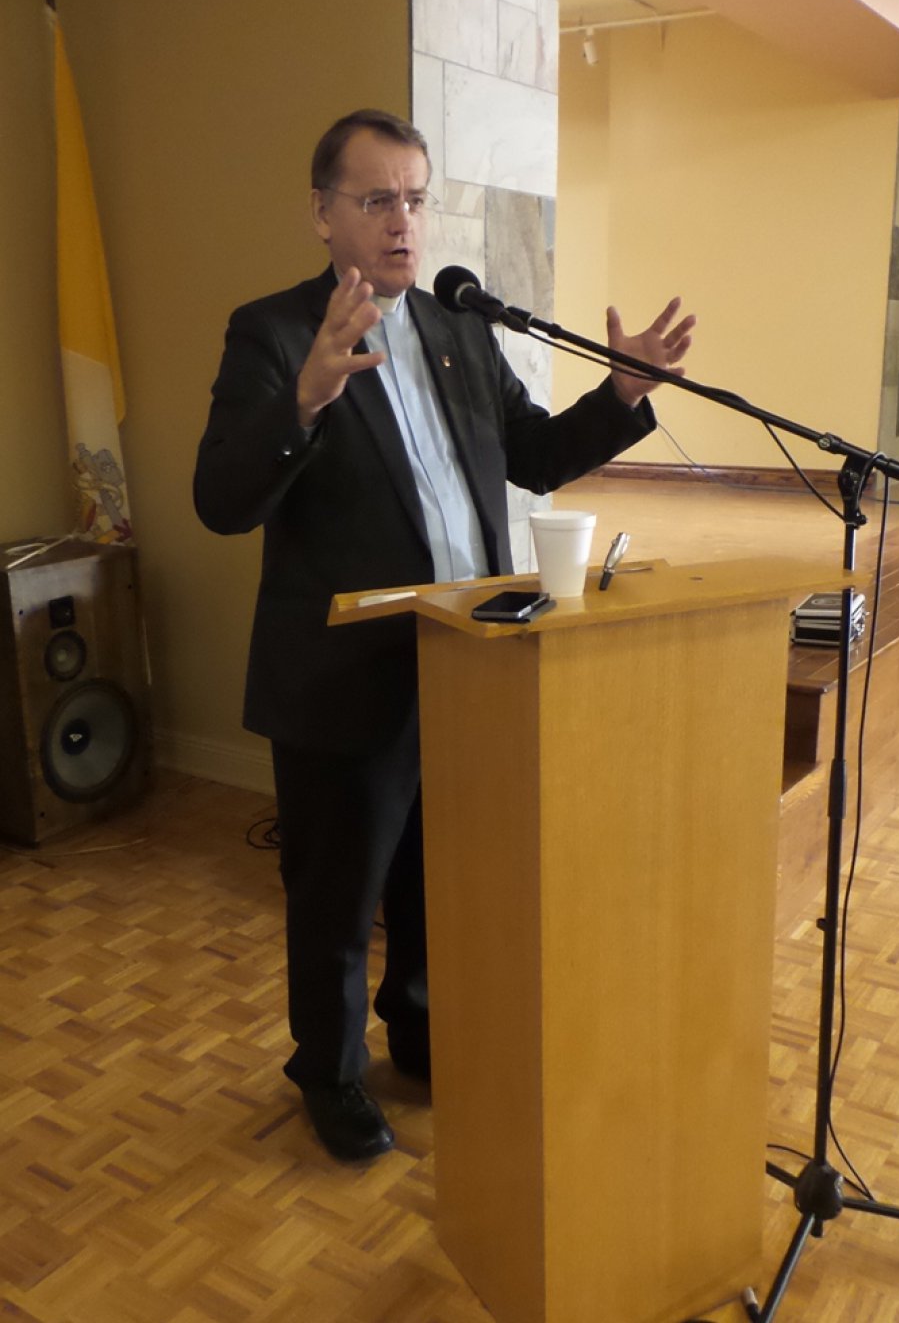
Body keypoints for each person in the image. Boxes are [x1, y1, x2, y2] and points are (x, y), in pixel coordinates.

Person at [194, 108, 695, 1163]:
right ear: (322, 213)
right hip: (343, 677)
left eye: (417, 199)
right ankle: (329, 1072)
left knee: (437, 879)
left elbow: (534, 456)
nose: (403, 221)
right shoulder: (273, 334)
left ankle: (419, 1036)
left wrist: (621, 392)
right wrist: (307, 398)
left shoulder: (459, 329)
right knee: (337, 899)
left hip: (466, 666)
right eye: (377, 199)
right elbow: (221, 500)